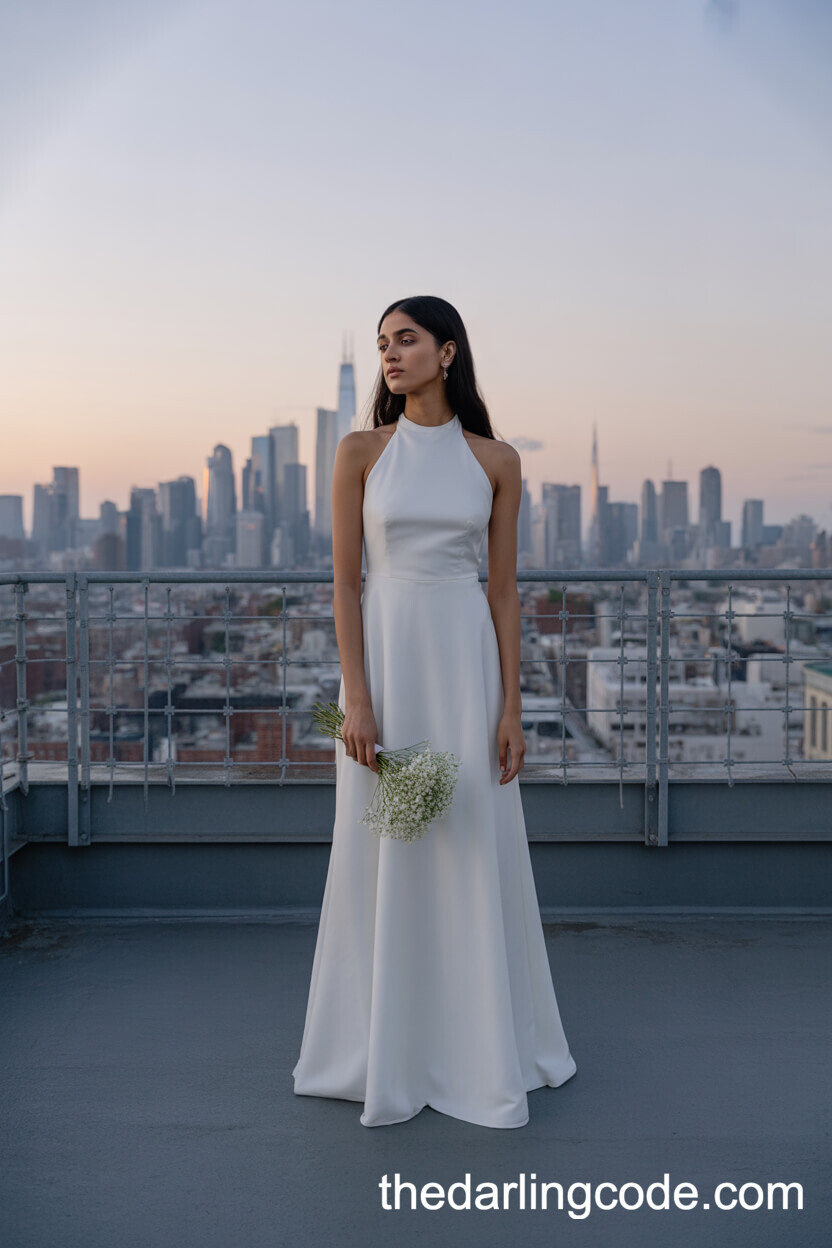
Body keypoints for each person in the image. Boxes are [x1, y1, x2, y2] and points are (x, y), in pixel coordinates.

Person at [292, 295, 577, 1128]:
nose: (391, 353)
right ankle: (383, 1048)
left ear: (448, 352)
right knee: (379, 845)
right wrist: (358, 698)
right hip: (387, 658)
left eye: (406, 339)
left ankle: (476, 1048)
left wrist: (511, 708)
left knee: (466, 843)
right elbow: (346, 584)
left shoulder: (496, 461)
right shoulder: (358, 453)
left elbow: (504, 593)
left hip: (463, 667)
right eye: (383, 343)